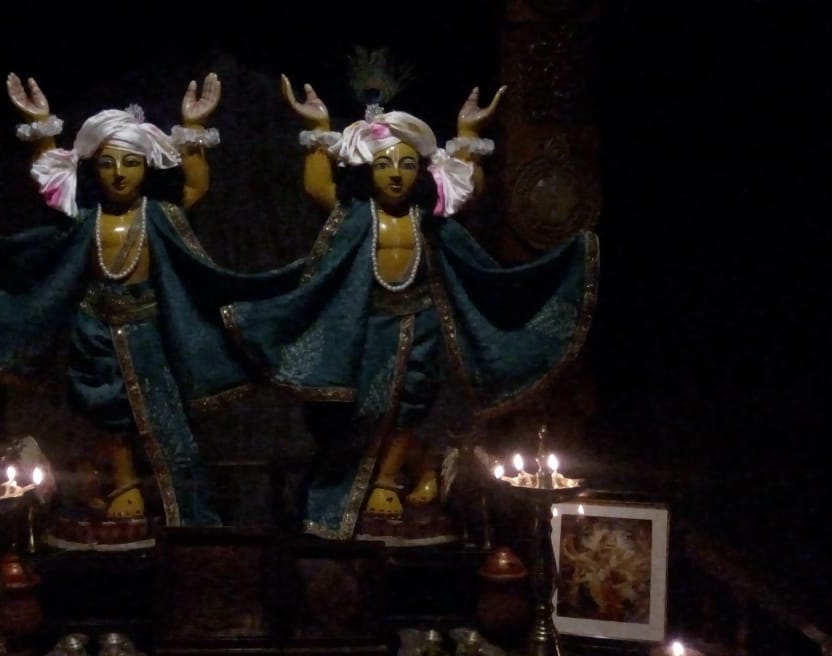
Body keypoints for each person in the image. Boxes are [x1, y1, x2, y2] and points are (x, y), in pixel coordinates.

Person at [0, 72, 304, 542]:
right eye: (108, 163)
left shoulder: (158, 215)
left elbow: (196, 185)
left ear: (146, 167)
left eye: (131, 162)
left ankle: (184, 511)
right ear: (94, 169)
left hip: (148, 329)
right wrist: (42, 129)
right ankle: (118, 484)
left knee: (165, 422)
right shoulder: (85, 220)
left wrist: (193, 127)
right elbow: (51, 187)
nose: (119, 173)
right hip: (95, 331)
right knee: (106, 419)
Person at [220, 75, 599, 542]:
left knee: (410, 406)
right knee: (362, 408)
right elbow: (318, 184)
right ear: (368, 171)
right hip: (367, 325)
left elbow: (469, 188)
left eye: (406, 164)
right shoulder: (356, 216)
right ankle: (362, 485)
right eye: (384, 165)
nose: (395, 174)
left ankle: (388, 479)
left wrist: (468, 134)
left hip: (419, 322)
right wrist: (318, 127)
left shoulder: (428, 219)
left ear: (420, 171)